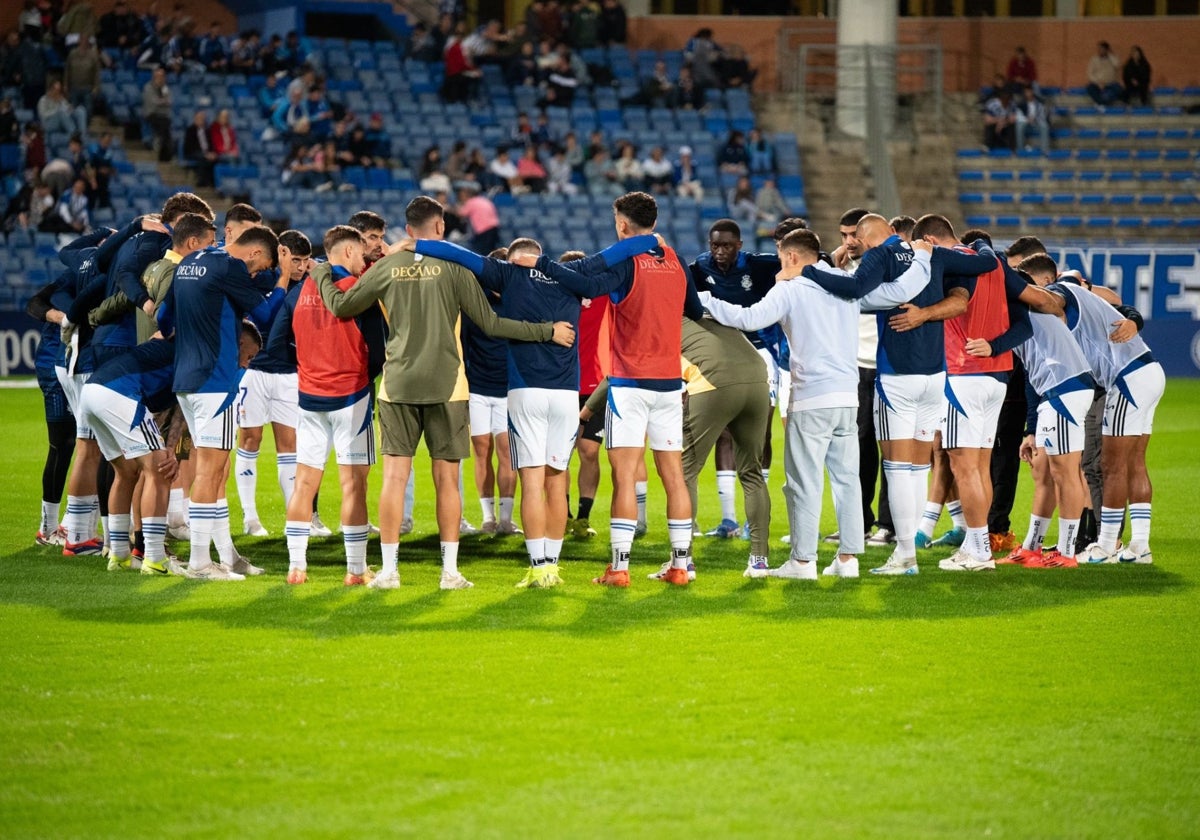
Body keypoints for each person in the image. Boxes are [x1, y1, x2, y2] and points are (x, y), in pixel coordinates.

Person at [312, 196, 576, 592]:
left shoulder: (386, 266)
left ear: (408, 226)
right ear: (439, 228)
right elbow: (491, 323)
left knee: (394, 479)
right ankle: (449, 572)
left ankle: (388, 571)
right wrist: (546, 331)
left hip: (397, 385)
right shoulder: (454, 268)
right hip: (449, 387)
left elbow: (344, 306)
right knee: (447, 481)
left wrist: (319, 275)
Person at [410, 233, 657, 586]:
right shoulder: (569, 272)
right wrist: (652, 239)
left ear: (513, 259)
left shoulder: (507, 274)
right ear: (539, 255)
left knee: (531, 482)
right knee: (557, 480)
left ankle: (538, 567)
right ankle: (553, 567)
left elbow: (457, 253)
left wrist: (414, 245)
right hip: (565, 396)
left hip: (526, 392)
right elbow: (616, 251)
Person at [700, 229, 935, 579]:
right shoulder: (846, 283)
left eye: (781, 258)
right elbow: (899, 292)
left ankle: (803, 561)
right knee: (847, 481)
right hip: (846, 398)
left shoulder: (790, 289)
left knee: (803, 482)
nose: (780, 266)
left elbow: (747, 319)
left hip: (811, 398)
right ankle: (848, 560)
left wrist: (703, 299)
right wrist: (924, 258)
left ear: (792, 257)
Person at [803, 214, 984, 575]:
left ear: (869, 239)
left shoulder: (880, 257)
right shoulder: (930, 253)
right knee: (918, 469)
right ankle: (908, 551)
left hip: (898, 376)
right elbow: (983, 263)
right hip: (934, 375)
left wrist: (808, 272)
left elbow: (854, 290)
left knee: (897, 470)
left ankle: (905, 556)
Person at [574, 192, 706, 587]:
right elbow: (695, 311)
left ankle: (619, 568)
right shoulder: (677, 260)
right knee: (673, 476)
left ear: (622, 225)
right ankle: (680, 566)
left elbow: (585, 279)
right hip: (669, 382)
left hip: (629, 384)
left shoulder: (625, 260)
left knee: (625, 475)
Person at [905, 216, 1035, 572]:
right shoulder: (992, 264)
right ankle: (979, 546)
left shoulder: (948, 261)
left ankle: (977, 552)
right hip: (996, 376)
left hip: (963, 372)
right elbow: (1021, 319)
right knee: (978, 466)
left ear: (929, 239)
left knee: (965, 466)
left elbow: (957, 305)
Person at [157, 225, 288, 580]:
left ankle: (227, 556)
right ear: (255, 254)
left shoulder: (189, 262)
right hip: (215, 381)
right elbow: (263, 316)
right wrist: (283, 280)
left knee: (213, 471)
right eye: (259, 268)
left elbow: (163, 319)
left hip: (185, 380)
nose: (255, 275)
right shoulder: (230, 265)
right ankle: (200, 562)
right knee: (210, 471)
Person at [1017, 255, 1164, 566]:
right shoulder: (1071, 291)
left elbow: (1063, 286)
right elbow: (1085, 284)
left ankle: (1106, 545)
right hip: (1146, 371)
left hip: (1126, 377)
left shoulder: (1061, 291)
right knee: (1135, 462)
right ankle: (1140, 546)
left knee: (1110, 464)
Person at [271, 226, 385, 586]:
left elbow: (276, 343)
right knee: (354, 484)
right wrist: (362, 377)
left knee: (304, 483)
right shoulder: (358, 290)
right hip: (351, 396)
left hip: (308, 398)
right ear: (348, 252)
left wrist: (309, 366)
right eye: (362, 254)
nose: (365, 260)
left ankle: (296, 567)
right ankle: (355, 571)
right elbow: (380, 351)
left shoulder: (298, 290)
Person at [966, 271, 1097, 569]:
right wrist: (1032, 430)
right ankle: (1031, 547)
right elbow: (1029, 375)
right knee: (1045, 471)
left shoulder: (1023, 310)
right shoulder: (1016, 314)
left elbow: (1022, 336)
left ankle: (1066, 552)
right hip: (1052, 392)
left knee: (1065, 472)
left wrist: (993, 346)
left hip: (1066, 388)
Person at [688, 219, 785, 538]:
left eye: (726, 245)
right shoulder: (699, 268)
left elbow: (806, 261)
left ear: (739, 245)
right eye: (714, 245)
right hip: (724, 356)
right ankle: (728, 519)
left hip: (761, 354)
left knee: (759, 435)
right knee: (723, 433)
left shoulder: (760, 266)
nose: (719, 251)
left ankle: (752, 518)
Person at [235, 229, 311, 538]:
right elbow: (261, 318)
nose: (301, 267)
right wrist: (281, 274)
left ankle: (295, 517)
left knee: (289, 444)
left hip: (289, 373)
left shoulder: (310, 285)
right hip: (255, 371)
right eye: (296, 260)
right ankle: (250, 517)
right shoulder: (262, 279)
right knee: (250, 439)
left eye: (306, 261)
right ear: (281, 255)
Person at [141, 65, 173, 162]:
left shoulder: (165, 88)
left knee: (166, 130)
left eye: (163, 76)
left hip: (164, 116)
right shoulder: (148, 87)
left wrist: (162, 101)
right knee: (164, 129)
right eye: (159, 76)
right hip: (151, 114)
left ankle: (164, 156)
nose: (161, 78)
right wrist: (162, 101)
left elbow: (169, 101)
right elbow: (153, 102)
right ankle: (164, 156)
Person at [183, 110, 217, 188]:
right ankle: (201, 182)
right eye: (199, 118)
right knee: (202, 158)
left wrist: (212, 153)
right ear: (195, 119)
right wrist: (205, 154)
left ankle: (213, 183)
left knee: (215, 159)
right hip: (193, 152)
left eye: (202, 119)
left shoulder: (207, 131)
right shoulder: (190, 130)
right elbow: (189, 146)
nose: (201, 120)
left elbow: (211, 144)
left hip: (206, 153)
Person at [1086, 41, 1122, 107]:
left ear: (1106, 50)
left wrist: (1110, 55)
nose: (1099, 51)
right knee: (1090, 88)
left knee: (1118, 89)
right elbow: (1090, 74)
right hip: (1098, 84)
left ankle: (1102, 102)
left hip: (1110, 83)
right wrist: (1098, 82)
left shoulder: (1112, 59)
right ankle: (1103, 102)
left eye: (1101, 49)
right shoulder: (1094, 59)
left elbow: (1117, 65)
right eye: (1099, 49)